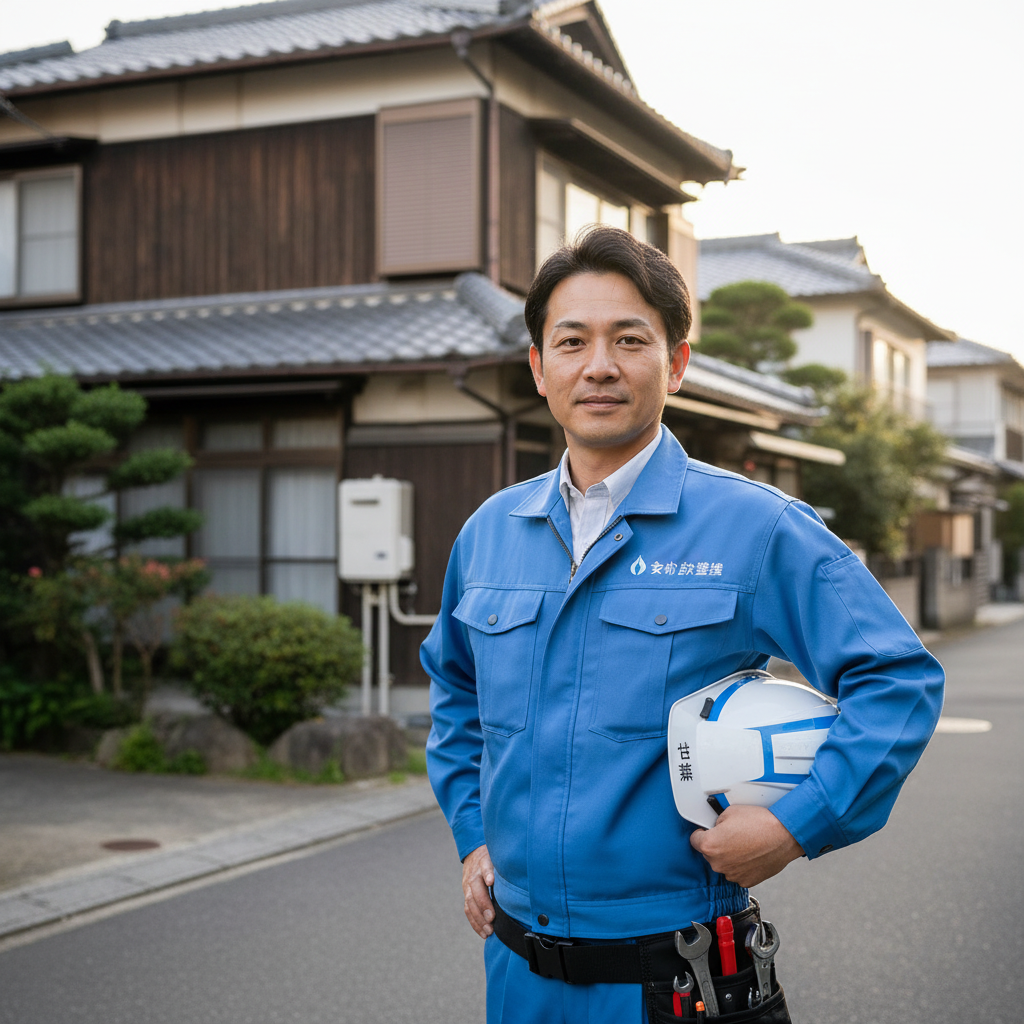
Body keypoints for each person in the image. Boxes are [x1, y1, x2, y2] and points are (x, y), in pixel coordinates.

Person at [421, 226, 944, 1023]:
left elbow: (897, 680)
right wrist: (473, 835)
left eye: (630, 339)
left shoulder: (756, 528)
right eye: (572, 341)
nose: (599, 365)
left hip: (677, 978)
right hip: (517, 973)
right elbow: (456, 697)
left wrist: (796, 825)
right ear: (538, 367)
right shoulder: (489, 533)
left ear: (676, 364)